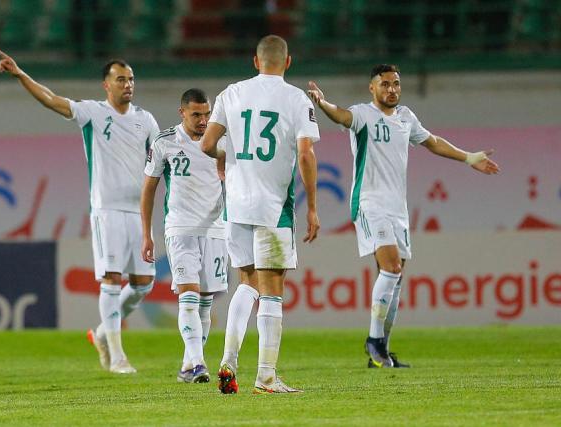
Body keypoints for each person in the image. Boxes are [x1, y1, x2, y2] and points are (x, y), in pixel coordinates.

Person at [307, 64, 500, 368]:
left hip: (398, 209)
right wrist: (322, 102)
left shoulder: (406, 117)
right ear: (372, 88)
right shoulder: (364, 115)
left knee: (396, 280)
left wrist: (468, 157)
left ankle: (381, 352)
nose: (392, 89)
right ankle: (373, 341)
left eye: (396, 83)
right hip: (370, 204)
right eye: (385, 84)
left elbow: (432, 141)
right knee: (392, 267)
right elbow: (341, 115)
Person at [0, 49, 160, 374]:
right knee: (112, 279)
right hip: (107, 209)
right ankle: (117, 356)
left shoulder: (146, 119)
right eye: (120, 79)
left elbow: (160, 161)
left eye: (131, 79)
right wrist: (20, 74)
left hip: (138, 212)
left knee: (143, 284)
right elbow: (52, 100)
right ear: (106, 85)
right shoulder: (93, 113)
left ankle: (100, 333)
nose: (128, 85)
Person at [201, 35, 321, 394]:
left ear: (255, 61)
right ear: (288, 62)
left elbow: (207, 143)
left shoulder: (231, 93)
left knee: (247, 283)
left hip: (236, 204)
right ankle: (266, 376)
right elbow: (305, 155)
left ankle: (228, 360)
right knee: (271, 291)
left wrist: (226, 158)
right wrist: (313, 205)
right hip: (273, 207)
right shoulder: (296, 99)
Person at [141, 88, 227, 384]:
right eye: (196, 115)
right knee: (188, 296)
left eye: (207, 114)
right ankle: (199, 363)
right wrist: (147, 234)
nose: (203, 121)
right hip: (180, 228)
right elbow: (149, 189)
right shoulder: (165, 142)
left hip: (216, 229)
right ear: (182, 113)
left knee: (205, 302)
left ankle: (188, 365)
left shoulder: (221, 139)